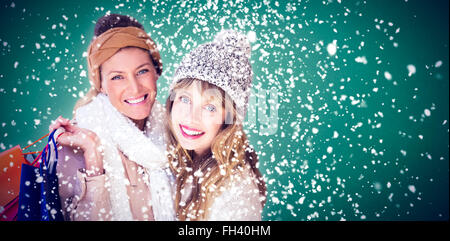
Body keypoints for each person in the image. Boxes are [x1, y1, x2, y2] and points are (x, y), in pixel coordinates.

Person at [49, 14, 175, 221]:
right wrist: (93, 156)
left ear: (156, 71)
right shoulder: (75, 146)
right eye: (117, 77)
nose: (134, 88)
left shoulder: (177, 132)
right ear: (101, 85)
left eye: (142, 71)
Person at [165, 30, 267, 220]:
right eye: (185, 99)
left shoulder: (236, 195)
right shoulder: (176, 158)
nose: (191, 117)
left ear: (228, 119)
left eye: (210, 107)